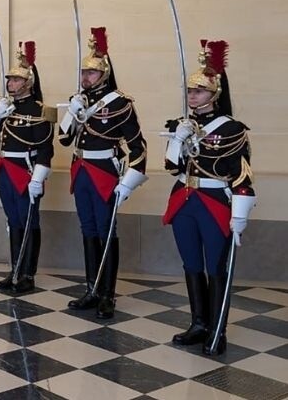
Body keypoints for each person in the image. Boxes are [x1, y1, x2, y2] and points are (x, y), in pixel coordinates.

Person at [162, 40, 254, 356]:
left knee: (216, 267)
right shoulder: (181, 124)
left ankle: (218, 329)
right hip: (185, 199)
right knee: (191, 264)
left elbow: (242, 174)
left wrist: (239, 215)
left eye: (198, 91)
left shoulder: (231, 129)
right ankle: (199, 323)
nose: (192, 96)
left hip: (215, 203)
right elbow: (171, 167)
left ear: (214, 93)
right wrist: (178, 138)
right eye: (189, 91)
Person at [58, 27, 147, 319]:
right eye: (83, 73)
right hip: (81, 170)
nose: (86, 78)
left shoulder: (120, 104)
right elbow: (63, 139)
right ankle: (92, 289)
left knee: (107, 232)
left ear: (104, 75)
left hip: (105, 172)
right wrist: (71, 112)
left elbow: (138, 147)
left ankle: (108, 294)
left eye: (91, 73)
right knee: (88, 229)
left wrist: (129, 183)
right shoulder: (80, 100)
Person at [0, 41, 54, 294]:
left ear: (27, 83)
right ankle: (14, 270)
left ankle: (27, 275)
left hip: (25, 171)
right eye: (9, 80)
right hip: (4, 169)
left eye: (15, 80)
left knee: (29, 221)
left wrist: (38, 178)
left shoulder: (40, 110)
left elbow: (46, 149)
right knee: (13, 221)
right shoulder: (4, 106)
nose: (9, 84)